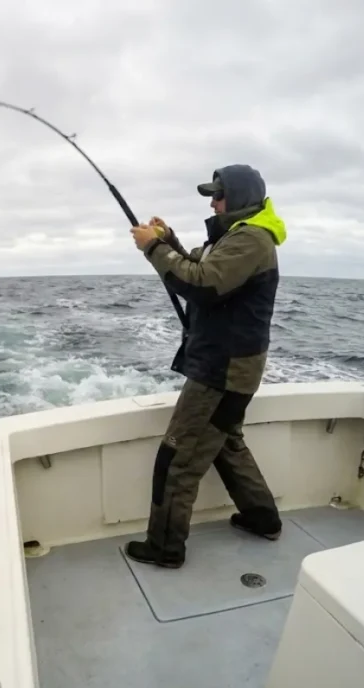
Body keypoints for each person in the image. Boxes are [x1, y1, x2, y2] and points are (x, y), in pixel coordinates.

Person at [125, 164, 287, 568]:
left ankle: (164, 547)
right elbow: (197, 265)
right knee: (225, 444)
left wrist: (152, 248)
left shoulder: (251, 239)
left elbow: (202, 284)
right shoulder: (234, 238)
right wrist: (169, 240)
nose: (212, 203)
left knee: (176, 460)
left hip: (221, 372)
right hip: (231, 370)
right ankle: (261, 517)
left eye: (218, 195)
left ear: (240, 197)